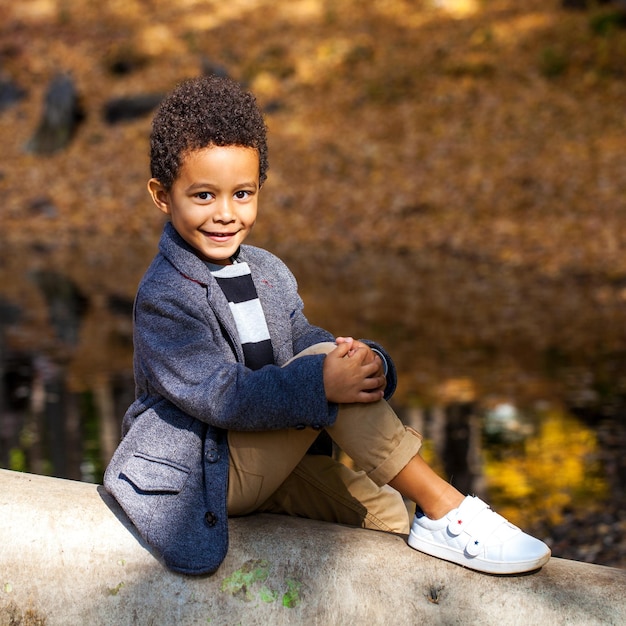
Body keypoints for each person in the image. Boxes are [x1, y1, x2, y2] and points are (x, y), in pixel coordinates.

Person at [104, 74, 551, 576]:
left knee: (386, 515)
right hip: (197, 473)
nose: (226, 214)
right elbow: (222, 395)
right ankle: (448, 507)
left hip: (266, 459)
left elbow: (305, 339)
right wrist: (323, 377)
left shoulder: (268, 271)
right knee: (322, 371)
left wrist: (366, 360)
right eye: (204, 196)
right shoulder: (165, 293)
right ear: (162, 195)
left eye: (243, 194)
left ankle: (429, 544)